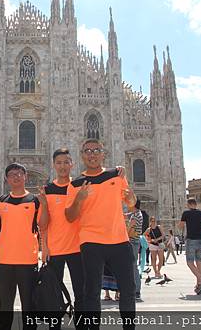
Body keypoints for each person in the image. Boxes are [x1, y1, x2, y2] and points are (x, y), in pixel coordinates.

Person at [65, 139, 136, 330]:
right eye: (88, 151)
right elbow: (70, 217)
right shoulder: (75, 184)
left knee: (128, 290)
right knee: (92, 292)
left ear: (103, 153)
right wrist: (79, 199)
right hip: (91, 242)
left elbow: (130, 201)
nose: (92, 154)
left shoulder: (117, 175)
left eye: (96, 150)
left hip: (119, 240)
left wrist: (131, 198)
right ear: (82, 155)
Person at [38, 148, 86, 327]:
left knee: (81, 293)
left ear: (72, 164)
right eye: (59, 162)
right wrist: (44, 247)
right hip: (55, 249)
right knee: (53, 295)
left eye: (66, 162)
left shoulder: (79, 187)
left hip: (78, 248)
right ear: (54, 165)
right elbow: (43, 225)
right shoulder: (48, 190)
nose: (63, 166)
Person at [0, 163, 41, 330]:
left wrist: (46, 204)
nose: (16, 177)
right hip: (4, 260)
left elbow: (44, 225)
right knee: (5, 307)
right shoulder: (1, 201)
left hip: (28, 260)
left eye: (20, 173)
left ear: (25, 176)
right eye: (12, 174)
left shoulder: (35, 201)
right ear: (6, 178)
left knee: (29, 307)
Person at [178, 198, 201, 295]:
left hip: (191, 240)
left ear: (189, 204)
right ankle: (198, 284)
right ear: (196, 204)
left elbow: (180, 225)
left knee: (189, 262)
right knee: (199, 262)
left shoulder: (186, 213)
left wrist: (180, 224)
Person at [127, 200, 143, 302]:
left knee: (133, 267)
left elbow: (130, 229)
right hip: (135, 242)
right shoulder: (137, 214)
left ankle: (136, 290)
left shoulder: (135, 216)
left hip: (132, 242)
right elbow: (127, 215)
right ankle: (135, 289)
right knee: (132, 266)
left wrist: (124, 234)